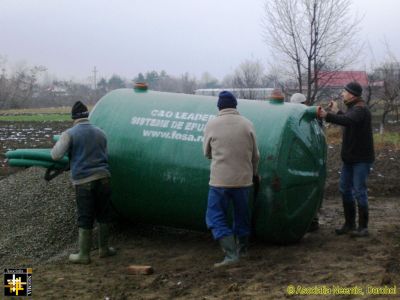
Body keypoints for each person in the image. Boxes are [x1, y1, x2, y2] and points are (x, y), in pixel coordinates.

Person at [51, 101, 116, 264]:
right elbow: (105, 154)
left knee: (85, 216)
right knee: (104, 214)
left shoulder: (70, 134)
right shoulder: (101, 132)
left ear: (73, 118)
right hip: (104, 177)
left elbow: (55, 155)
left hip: (84, 180)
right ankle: (104, 249)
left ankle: (84, 255)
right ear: (87, 116)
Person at [203, 91, 260, 267]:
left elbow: (206, 154)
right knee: (242, 215)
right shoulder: (247, 124)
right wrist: (254, 174)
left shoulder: (212, 124)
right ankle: (242, 250)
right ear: (235, 106)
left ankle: (230, 254)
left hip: (220, 181)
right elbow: (256, 155)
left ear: (219, 106)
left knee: (214, 216)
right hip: (243, 180)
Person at [319, 82, 374, 237]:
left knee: (359, 191)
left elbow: (349, 121)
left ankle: (363, 228)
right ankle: (350, 224)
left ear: (352, 94)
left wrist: (327, 115)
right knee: (344, 189)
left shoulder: (361, 109)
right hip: (350, 159)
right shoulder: (353, 109)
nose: (342, 94)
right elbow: (348, 119)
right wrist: (337, 111)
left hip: (361, 159)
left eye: (344, 91)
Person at [290, 92, 321, 232]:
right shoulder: (311, 117)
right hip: (312, 159)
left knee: (302, 190)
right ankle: (313, 219)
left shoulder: (294, 117)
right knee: (313, 190)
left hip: (301, 159)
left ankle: (309, 219)